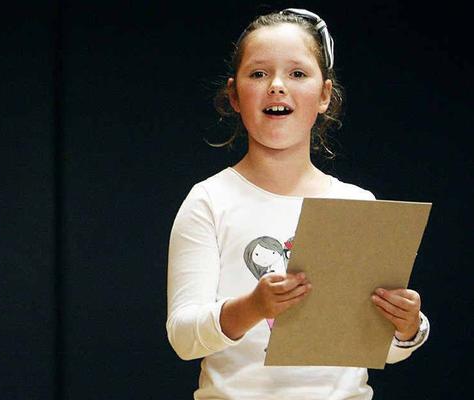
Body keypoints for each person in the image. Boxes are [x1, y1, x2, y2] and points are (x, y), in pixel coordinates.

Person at [165, 8, 429, 399]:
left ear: (324, 95)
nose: (276, 86)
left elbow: (378, 347)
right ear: (234, 95)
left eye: (297, 74)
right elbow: (184, 338)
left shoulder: (356, 204)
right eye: (258, 74)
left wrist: (409, 326)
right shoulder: (210, 201)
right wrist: (255, 307)